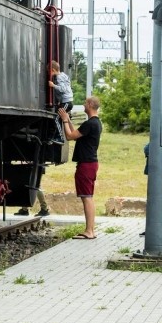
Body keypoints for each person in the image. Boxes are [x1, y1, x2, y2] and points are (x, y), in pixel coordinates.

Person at [59, 96, 101, 240]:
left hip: (86, 164)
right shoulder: (95, 123)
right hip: (90, 163)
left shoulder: (90, 124)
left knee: (87, 197)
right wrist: (68, 121)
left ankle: (89, 231)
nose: (83, 105)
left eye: (85, 103)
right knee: (87, 196)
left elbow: (70, 136)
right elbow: (77, 135)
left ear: (90, 105)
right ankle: (90, 230)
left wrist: (64, 120)